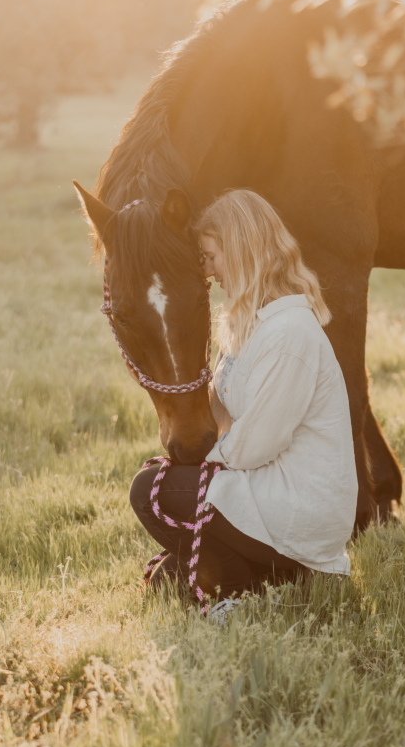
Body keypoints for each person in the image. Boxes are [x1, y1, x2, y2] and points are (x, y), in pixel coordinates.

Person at [129, 189, 358, 602]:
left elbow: (255, 446)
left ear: (243, 253)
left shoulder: (290, 333)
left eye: (212, 257)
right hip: (265, 489)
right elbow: (221, 415)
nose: (209, 271)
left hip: (299, 508)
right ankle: (263, 576)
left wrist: (196, 473)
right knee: (168, 581)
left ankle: (242, 588)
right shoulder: (245, 324)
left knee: (151, 489)